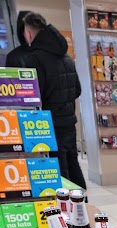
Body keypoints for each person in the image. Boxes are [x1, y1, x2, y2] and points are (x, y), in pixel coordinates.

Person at [6, 12, 87, 189]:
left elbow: (33, 98)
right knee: (73, 164)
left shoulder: (34, 58)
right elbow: (77, 90)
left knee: (59, 171)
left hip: (48, 125)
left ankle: (66, 205)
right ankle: (83, 202)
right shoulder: (66, 57)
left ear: (28, 34)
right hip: (69, 122)